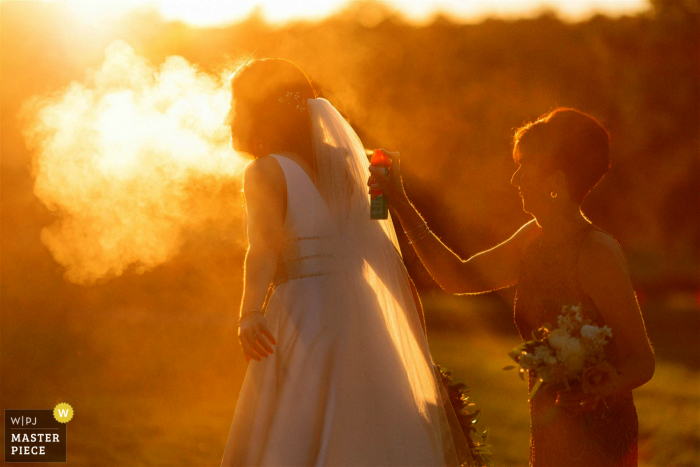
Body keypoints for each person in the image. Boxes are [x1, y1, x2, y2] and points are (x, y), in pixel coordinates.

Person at [220, 58, 472, 467]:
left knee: (295, 429)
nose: (229, 117)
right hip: (360, 314)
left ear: (260, 109)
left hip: (303, 315)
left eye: (236, 104)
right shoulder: (352, 166)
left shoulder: (264, 171)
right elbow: (379, 246)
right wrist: (414, 342)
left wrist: (249, 313)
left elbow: (263, 249)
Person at [369, 107, 655, 467]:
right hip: (551, 429)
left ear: (556, 180)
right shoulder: (532, 238)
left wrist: (594, 387)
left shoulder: (597, 252)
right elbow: (457, 278)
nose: (515, 180)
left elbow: (643, 361)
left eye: (525, 166)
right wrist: (400, 202)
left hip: (599, 438)